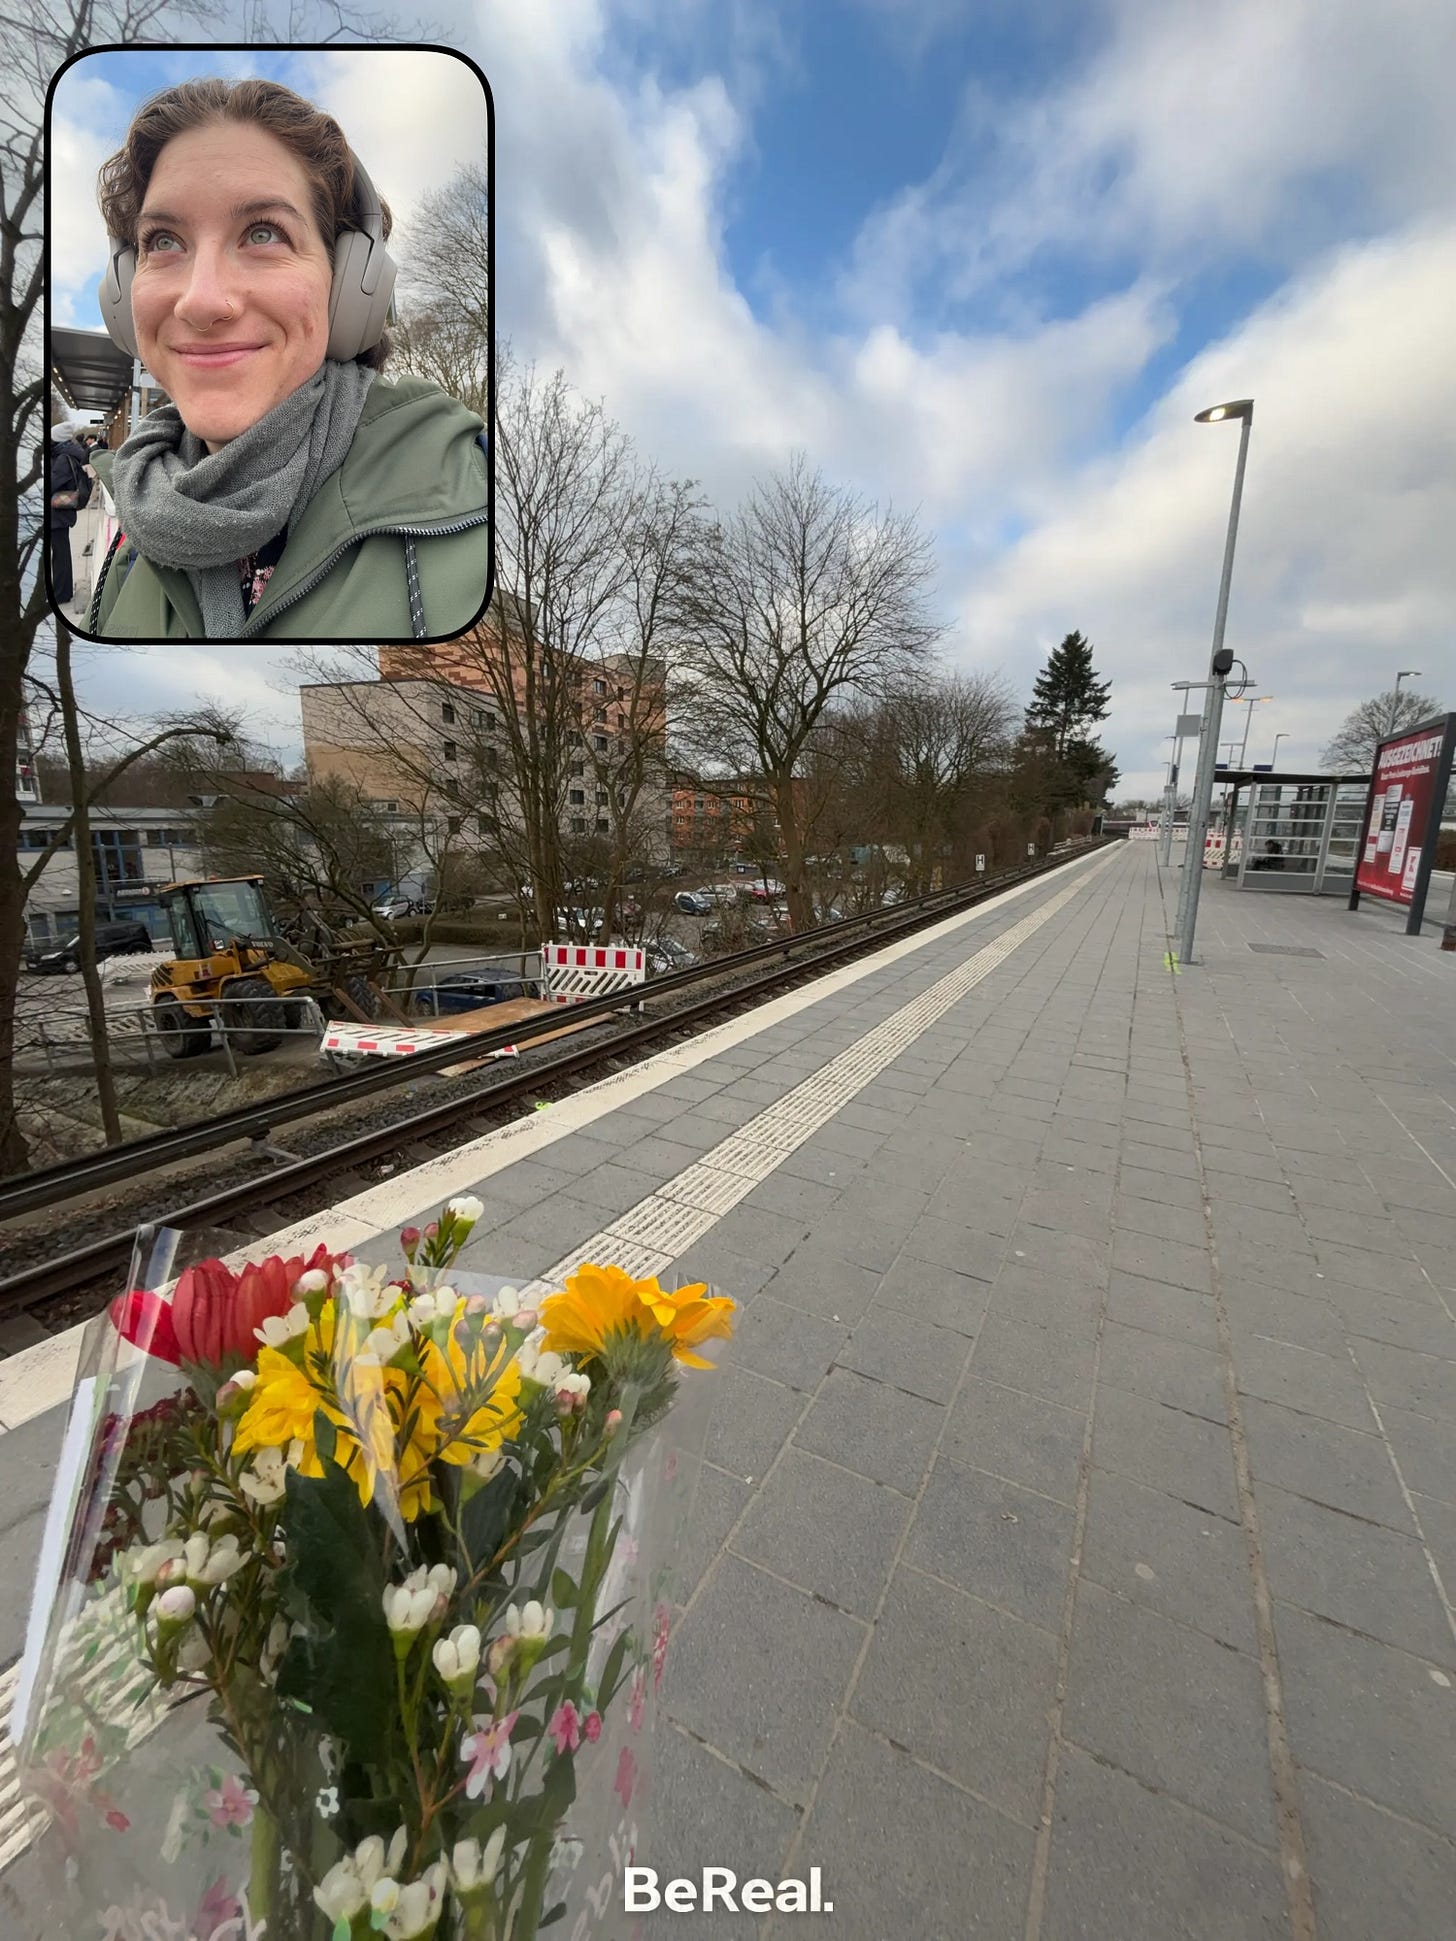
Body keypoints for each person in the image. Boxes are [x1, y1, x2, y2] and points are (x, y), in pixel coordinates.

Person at [84, 77, 490, 643]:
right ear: (125, 293)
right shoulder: (132, 530)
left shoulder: (476, 501)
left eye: (263, 233)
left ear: (351, 285)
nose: (201, 301)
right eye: (164, 242)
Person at [48, 420, 94, 608]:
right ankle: (61, 591)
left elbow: (53, 483)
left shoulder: (62, 459)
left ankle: (61, 593)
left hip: (58, 511)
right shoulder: (69, 454)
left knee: (60, 554)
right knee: (61, 553)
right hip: (61, 512)